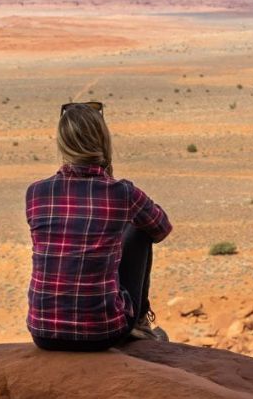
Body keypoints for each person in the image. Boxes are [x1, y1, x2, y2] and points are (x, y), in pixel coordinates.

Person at [26, 101, 173, 351]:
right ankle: (139, 322)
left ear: (62, 143)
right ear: (103, 140)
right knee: (139, 230)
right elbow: (160, 228)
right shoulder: (122, 192)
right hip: (102, 333)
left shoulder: (36, 192)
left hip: (44, 332)